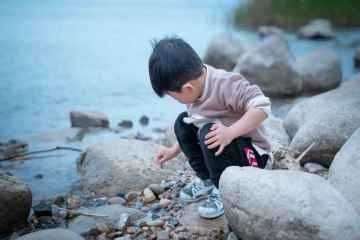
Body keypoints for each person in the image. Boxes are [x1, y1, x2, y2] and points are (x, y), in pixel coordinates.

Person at [148, 37, 272, 219]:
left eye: (173, 97)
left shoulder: (226, 84)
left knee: (209, 131)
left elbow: (262, 106)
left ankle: (223, 190)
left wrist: (230, 132)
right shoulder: (196, 87)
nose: (175, 100)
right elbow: (196, 121)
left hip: (253, 156)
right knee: (183, 122)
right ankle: (208, 180)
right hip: (226, 150)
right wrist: (173, 150)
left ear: (188, 88)